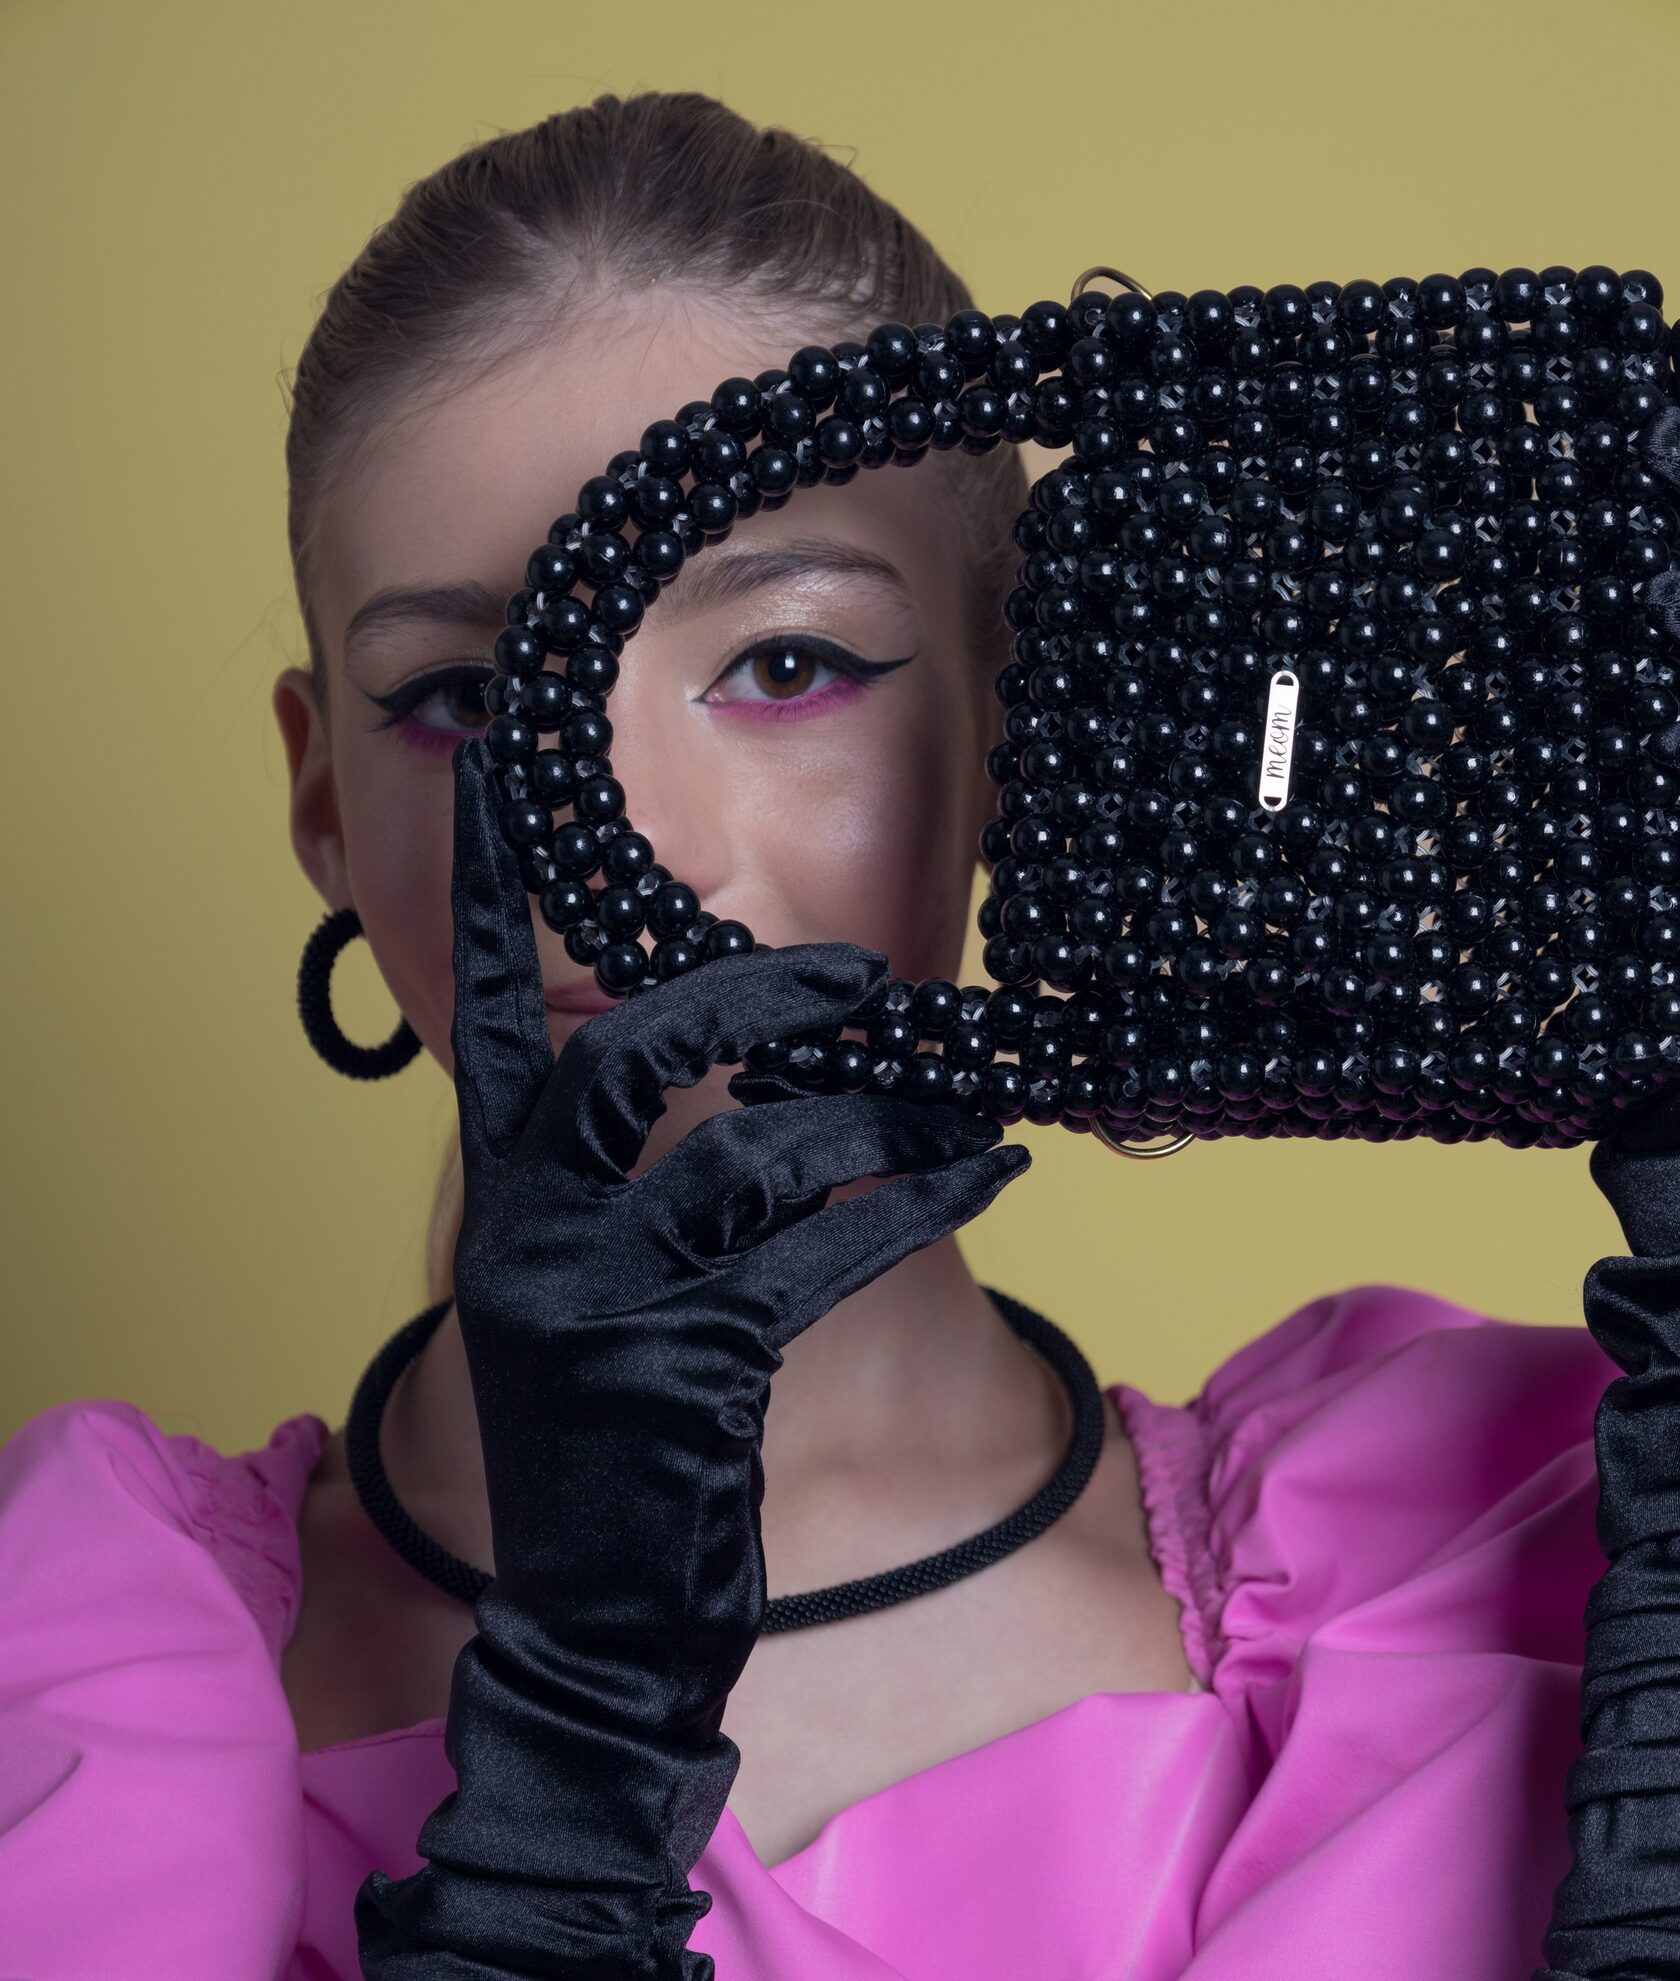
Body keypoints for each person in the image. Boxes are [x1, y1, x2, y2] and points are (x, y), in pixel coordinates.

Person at [0, 88, 1666, 1980]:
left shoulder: (1519, 1537)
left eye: (784, 665)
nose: (624, 843)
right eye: (463, 699)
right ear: (320, 798)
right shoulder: (84, 1658)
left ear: (1021, 729)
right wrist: (568, 1739)